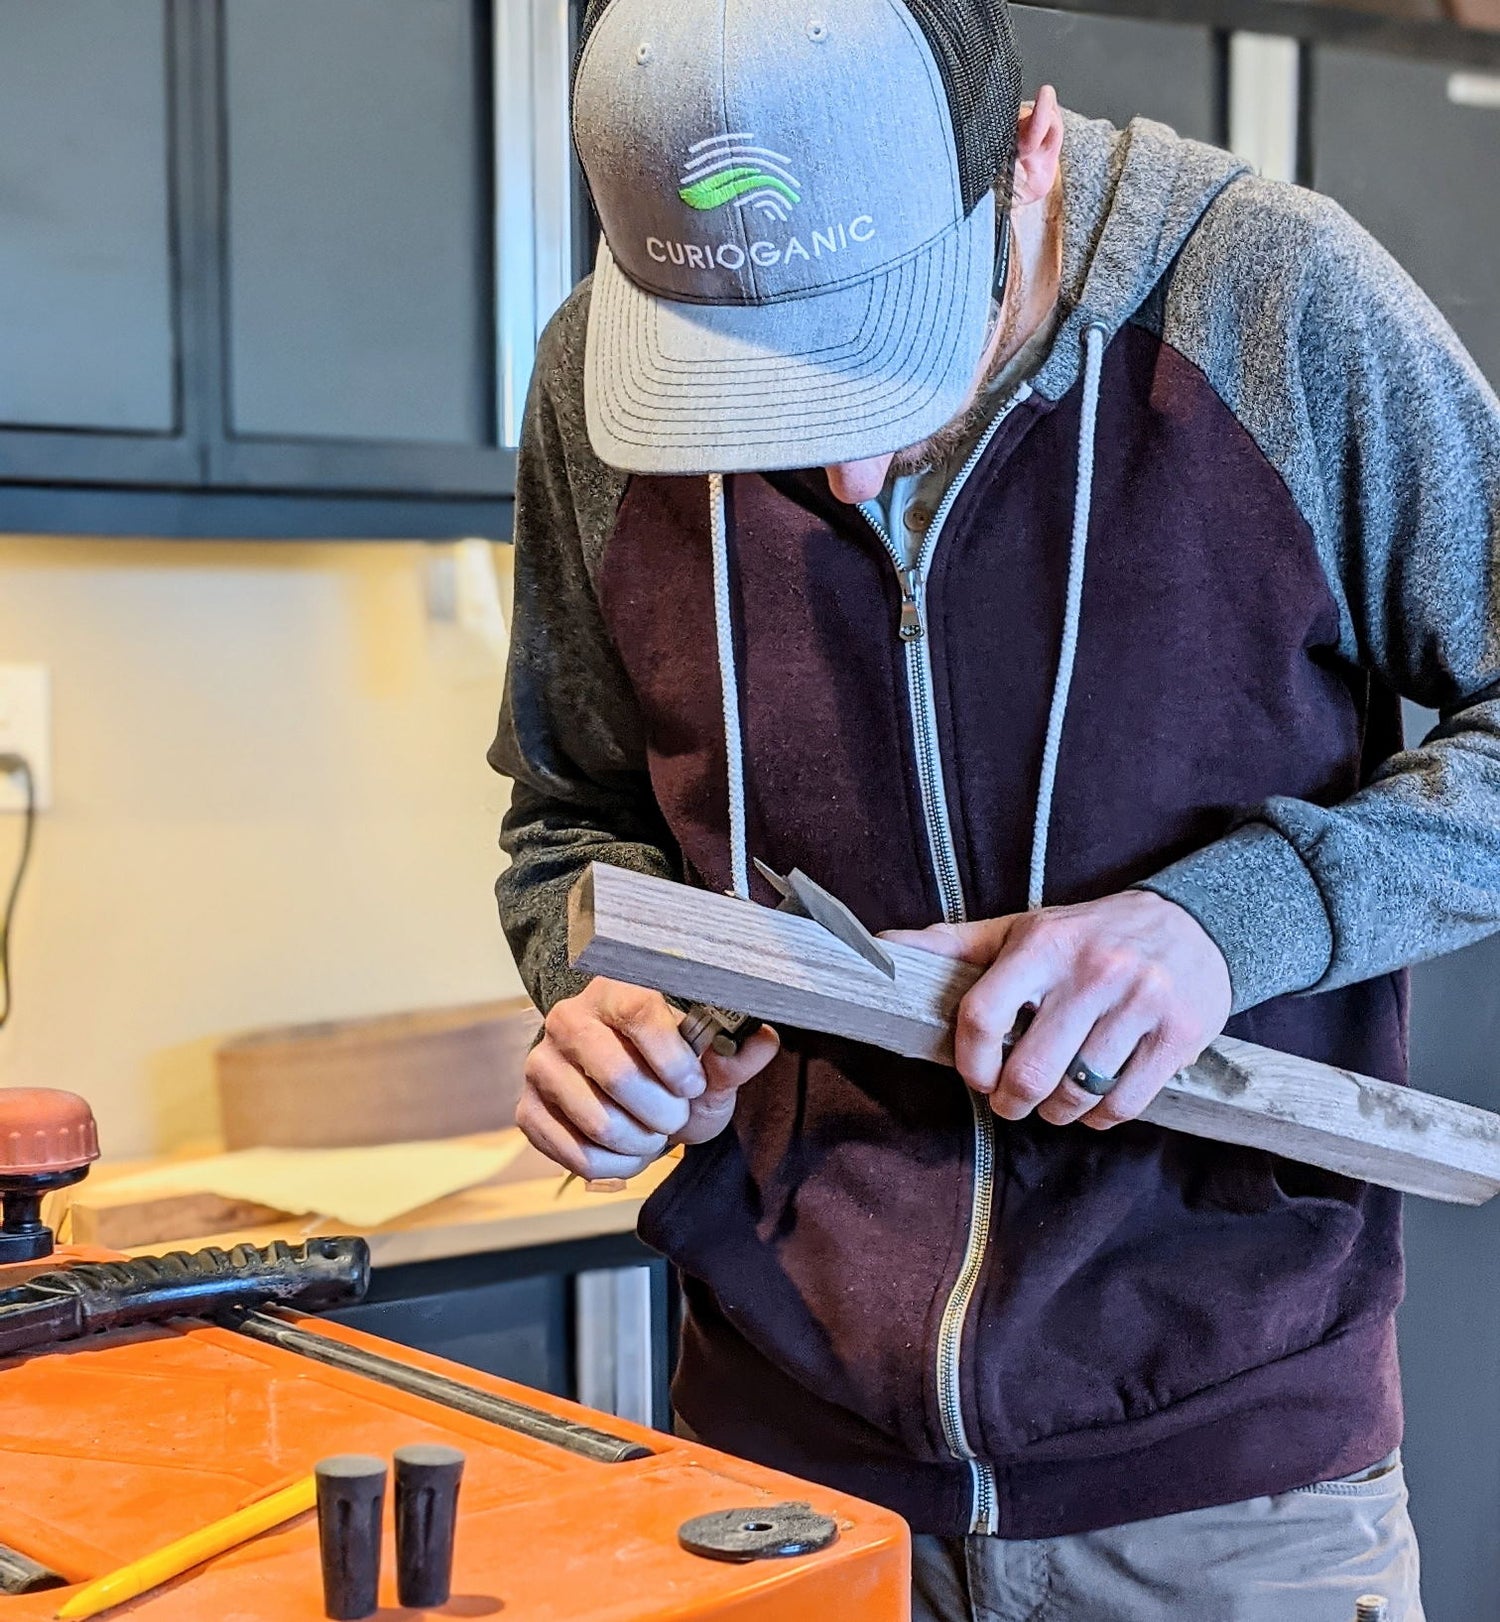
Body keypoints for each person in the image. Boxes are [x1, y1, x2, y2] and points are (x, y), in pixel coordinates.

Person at [489, 0, 1500, 1615]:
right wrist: (610, 989)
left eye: (884, 350)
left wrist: (1226, 925)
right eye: (754, 398)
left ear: (1029, 153)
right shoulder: (590, 391)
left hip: (1222, 1493)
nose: (840, 478)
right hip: (778, 1480)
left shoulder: (1272, 306)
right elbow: (573, 812)